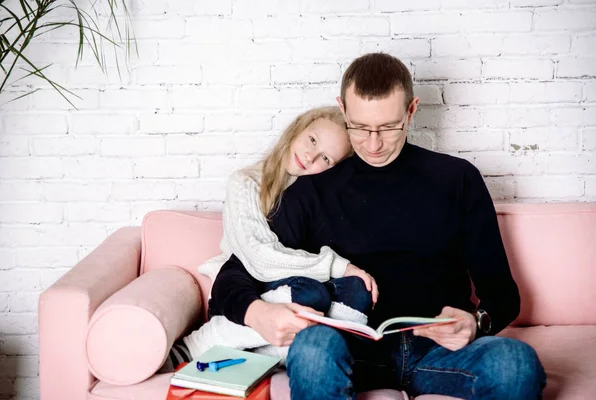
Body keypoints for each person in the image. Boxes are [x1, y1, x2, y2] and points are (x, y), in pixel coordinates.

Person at [208, 53, 547, 399]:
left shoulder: (458, 179)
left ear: (411, 110)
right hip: (350, 351)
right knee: (312, 348)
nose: (373, 144)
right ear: (342, 109)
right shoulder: (311, 189)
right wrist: (257, 313)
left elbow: (503, 295)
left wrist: (476, 323)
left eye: (388, 127)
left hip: (439, 352)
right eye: (359, 127)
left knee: (517, 364)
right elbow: (233, 275)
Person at [162, 106, 378, 370]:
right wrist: (338, 265)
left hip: (291, 289)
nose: (310, 157)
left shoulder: (315, 199)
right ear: (297, 128)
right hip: (241, 293)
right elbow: (258, 257)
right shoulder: (246, 183)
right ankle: (200, 345)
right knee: (312, 294)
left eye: (326, 159)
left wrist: (351, 275)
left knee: (357, 289)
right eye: (312, 140)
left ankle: (277, 355)